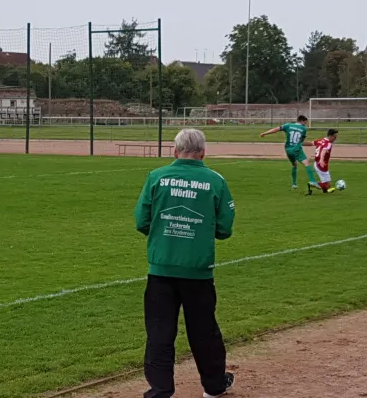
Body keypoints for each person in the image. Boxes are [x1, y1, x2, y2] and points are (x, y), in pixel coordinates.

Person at [134, 128, 236, 398]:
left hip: (161, 268)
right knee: (204, 331)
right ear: (203, 152)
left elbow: (141, 221)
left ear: (174, 150)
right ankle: (213, 386)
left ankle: (160, 390)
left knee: (159, 332)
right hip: (198, 271)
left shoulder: (156, 177)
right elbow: (225, 228)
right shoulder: (215, 180)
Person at [260, 115, 320, 191]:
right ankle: (313, 181)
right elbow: (301, 142)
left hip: (288, 149)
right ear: (302, 121)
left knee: (294, 165)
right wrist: (312, 143)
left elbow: (276, 129)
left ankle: (294, 184)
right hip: (296, 149)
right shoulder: (303, 129)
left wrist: (264, 133)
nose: (305, 124)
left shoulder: (288, 125)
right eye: (305, 122)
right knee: (306, 163)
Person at [304, 129, 339, 195]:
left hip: (316, 163)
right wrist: (321, 160)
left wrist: (299, 143)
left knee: (326, 184)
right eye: (335, 137)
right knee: (327, 185)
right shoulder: (328, 143)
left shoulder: (320, 140)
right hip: (322, 164)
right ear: (330, 136)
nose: (336, 138)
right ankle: (313, 184)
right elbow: (323, 151)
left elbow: (310, 143)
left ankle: (324, 191)